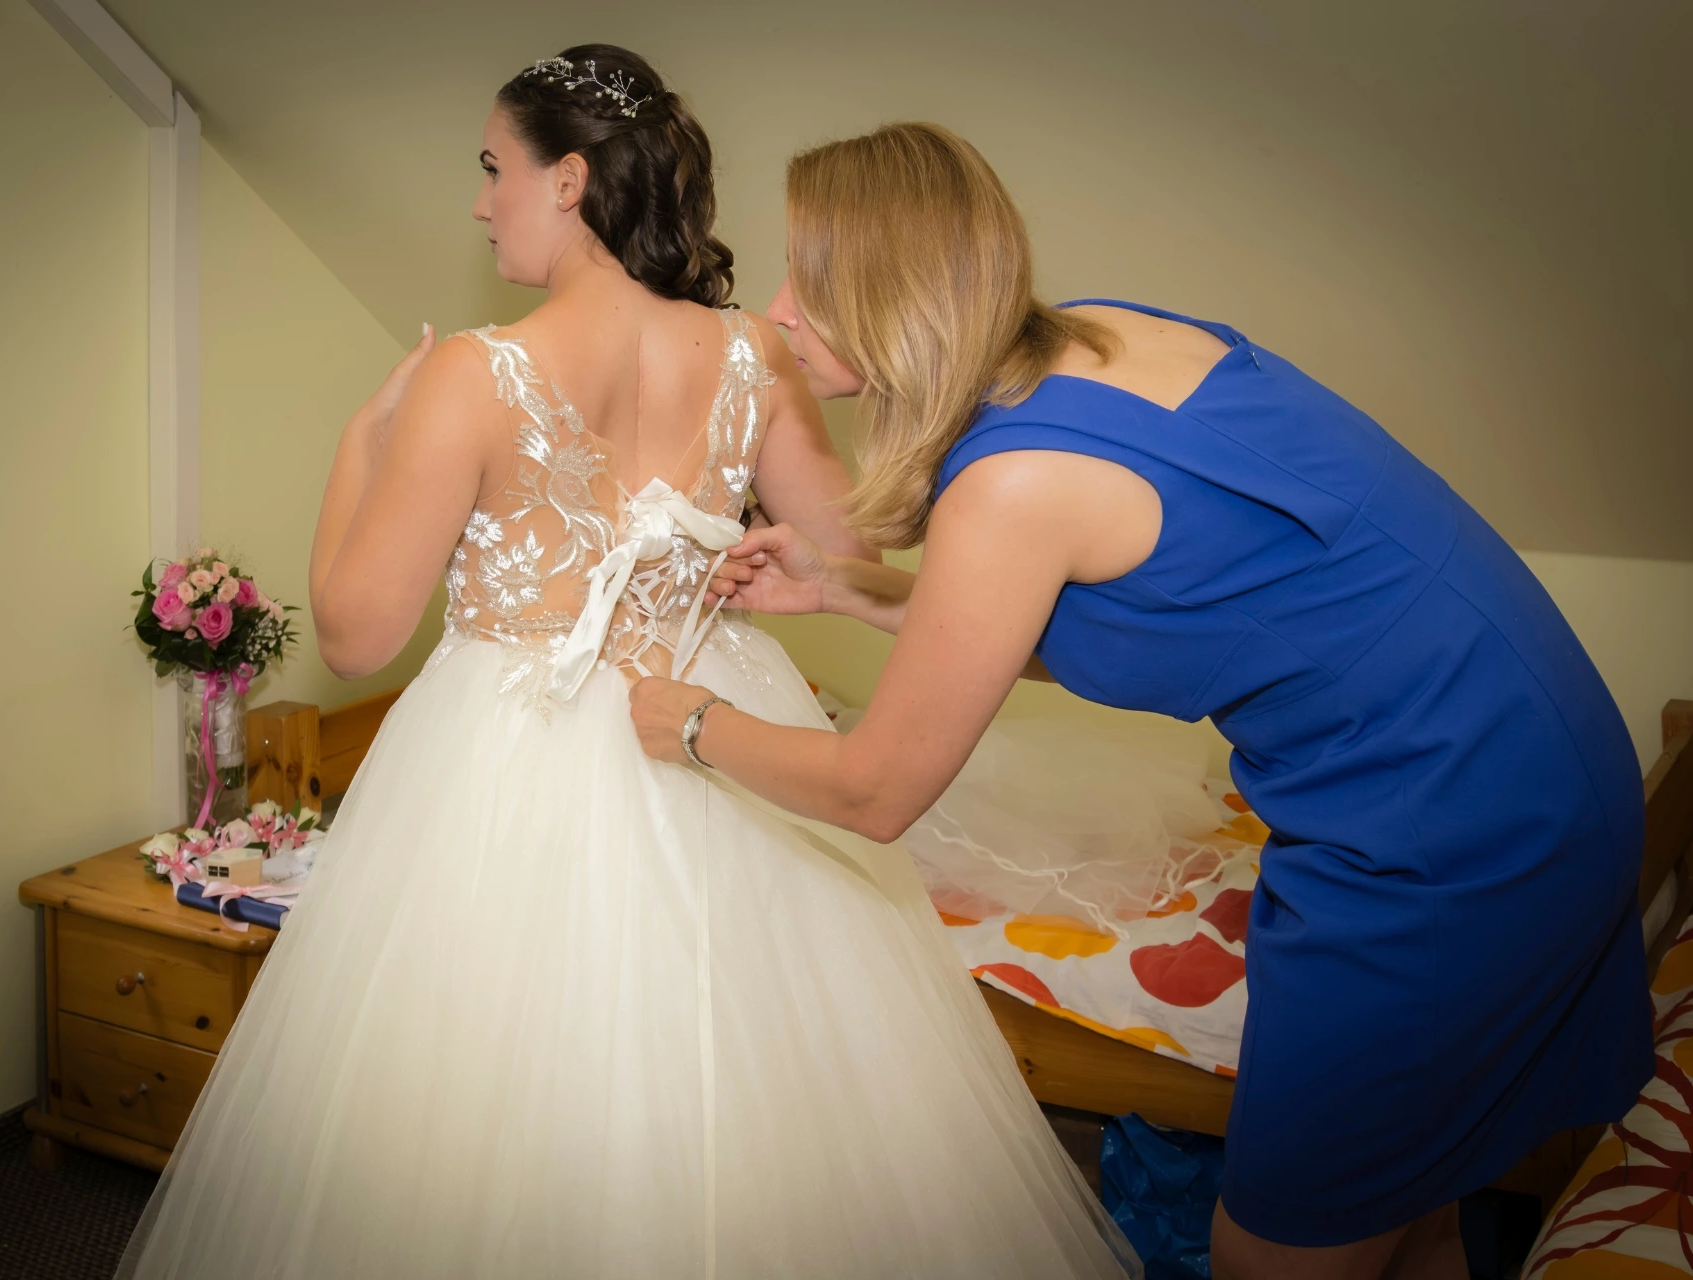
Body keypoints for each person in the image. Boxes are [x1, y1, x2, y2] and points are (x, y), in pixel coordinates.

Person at [115, 52, 1137, 1280]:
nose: (481, 201)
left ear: (569, 179)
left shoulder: (472, 374)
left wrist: (358, 442)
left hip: (511, 748)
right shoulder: (755, 354)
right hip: (720, 714)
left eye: (494, 169)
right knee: (771, 1088)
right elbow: (849, 558)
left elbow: (355, 636)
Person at [629, 121, 1651, 1279]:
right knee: (1411, 1211)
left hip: (1449, 829)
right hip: (1535, 745)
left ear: (897, 294)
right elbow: (1107, 617)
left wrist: (693, 724)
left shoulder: (1012, 484)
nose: (778, 312)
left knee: (1273, 1252)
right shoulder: (1098, 340)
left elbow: (875, 791)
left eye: (812, 283)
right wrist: (847, 587)